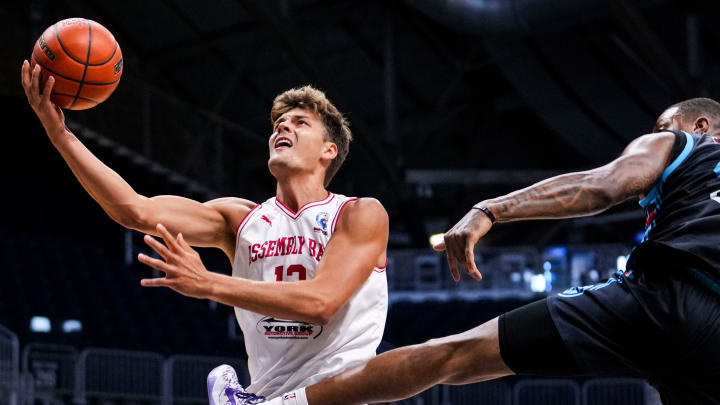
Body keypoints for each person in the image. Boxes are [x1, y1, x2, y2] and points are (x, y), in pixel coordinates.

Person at [252, 98, 720, 405]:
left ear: (701, 125)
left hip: (667, 295)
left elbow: (603, 186)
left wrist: (490, 210)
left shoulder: (688, 145)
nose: (659, 131)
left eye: (664, 125)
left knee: (451, 355)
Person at [20, 61, 389, 404]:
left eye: (300, 122)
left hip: (340, 395)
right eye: (279, 124)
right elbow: (135, 210)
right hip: (271, 395)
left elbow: (321, 304)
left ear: (329, 150)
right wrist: (60, 134)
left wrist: (208, 282)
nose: (282, 127)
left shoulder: (357, 213)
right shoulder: (240, 221)